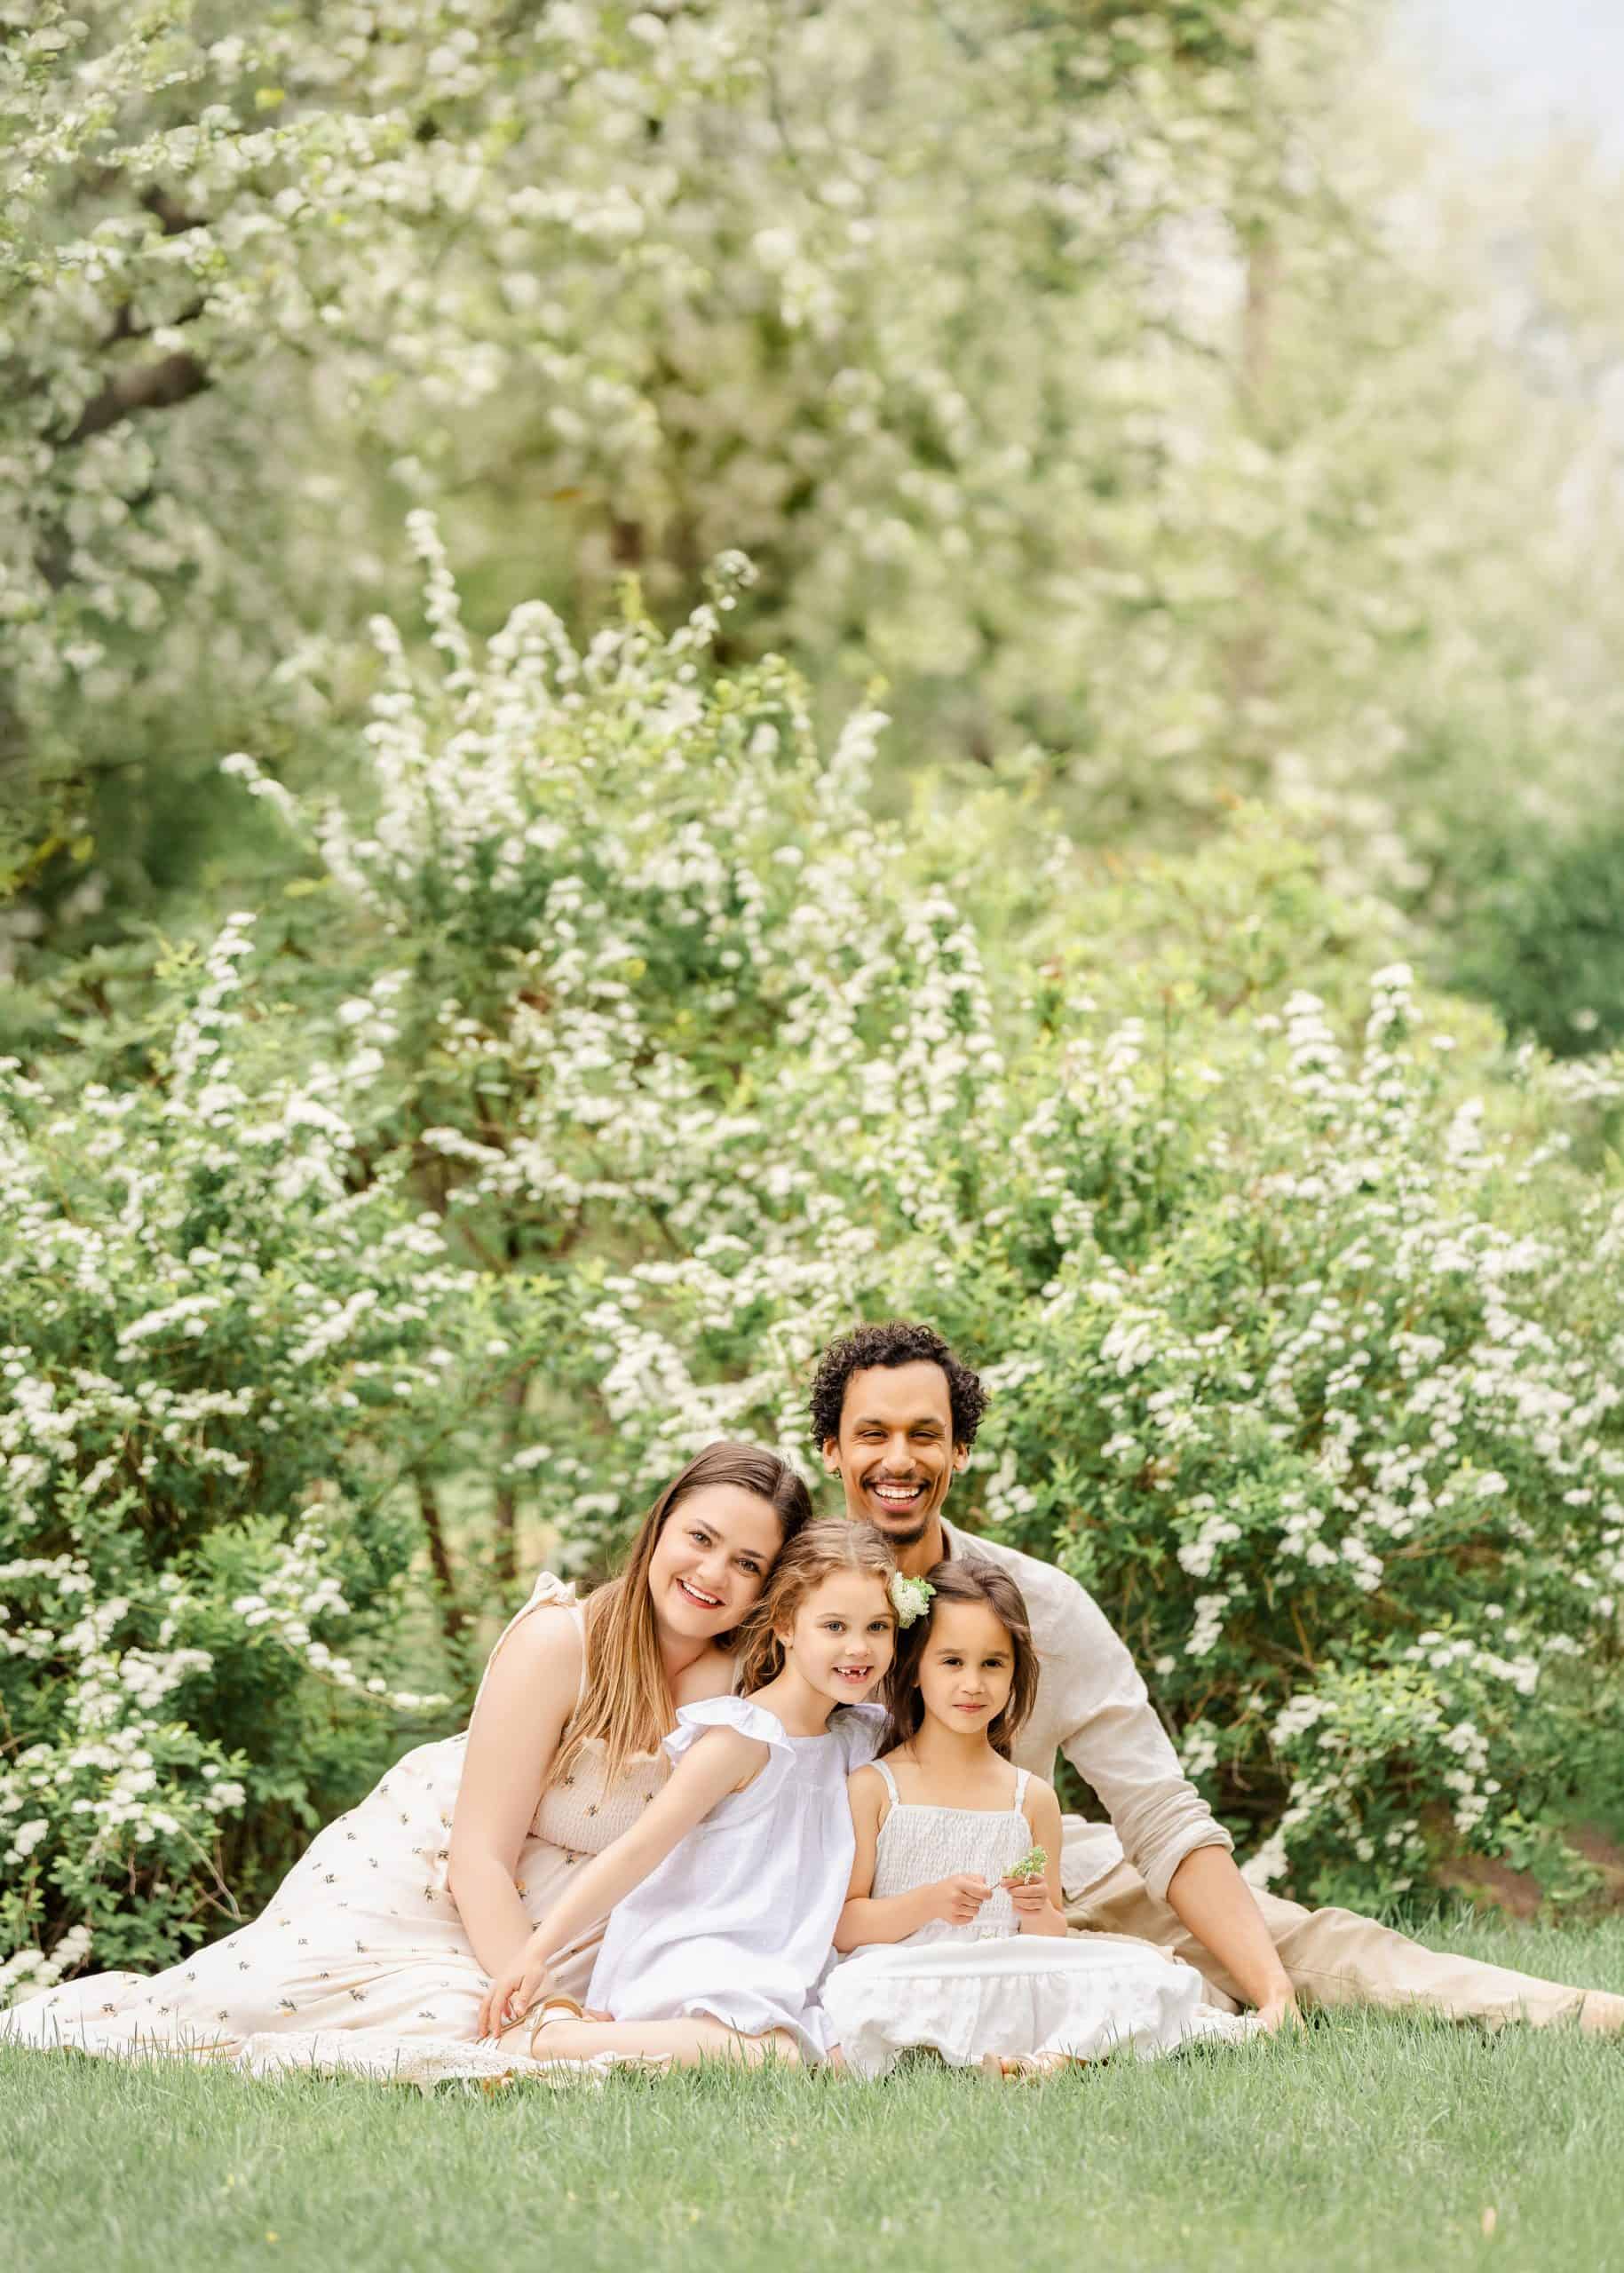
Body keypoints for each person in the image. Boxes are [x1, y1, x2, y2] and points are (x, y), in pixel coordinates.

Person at [812, 1320, 1624, 2035]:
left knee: (1300, 1942)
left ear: (957, 1451)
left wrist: (1273, 1987)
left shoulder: (1038, 1609)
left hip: (1044, 1871)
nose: (898, 1459)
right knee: (1135, 1985)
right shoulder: (786, 1607)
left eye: (924, 1434)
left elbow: (1158, 1810)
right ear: (831, 1451)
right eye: (871, 1434)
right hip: (868, 1913)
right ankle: (1185, 1996)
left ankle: (1576, 2014)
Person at [3, 1441, 811, 2087]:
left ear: (769, 1589)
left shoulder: (747, 1685)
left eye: (746, 1563)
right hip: (447, 1878)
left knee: (478, 2026)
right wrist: (536, 2000)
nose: (711, 1575)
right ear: (660, 1528)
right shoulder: (560, 1643)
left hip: (586, 1917)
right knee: (280, 2008)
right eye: (700, 1539)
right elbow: (478, 1856)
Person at [478, 1519, 898, 2068]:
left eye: (879, 1627)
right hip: (703, 1949)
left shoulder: (857, 1736)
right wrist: (535, 1953)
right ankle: (554, 2041)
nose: (858, 1648)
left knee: (857, 2054)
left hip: (785, 1957)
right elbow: (637, 1850)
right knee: (781, 2058)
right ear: (787, 1626)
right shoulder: (743, 1737)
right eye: (835, 1626)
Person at [823, 1556, 1255, 2077]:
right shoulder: (874, 1787)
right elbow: (846, 1926)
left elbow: (1050, 1934)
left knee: (1144, 1973)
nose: (973, 1685)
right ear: (915, 1668)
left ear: (1015, 1674)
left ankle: (1042, 2061)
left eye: (993, 1664)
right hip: (913, 1970)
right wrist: (929, 1902)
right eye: (952, 1662)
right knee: (858, 1991)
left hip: (1009, 1971)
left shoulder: (1030, 1797)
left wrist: (1034, 1910)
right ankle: (1031, 2053)